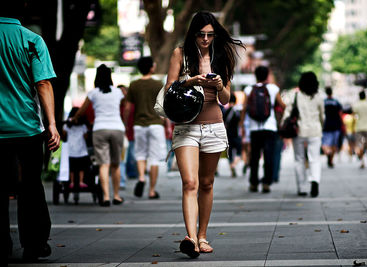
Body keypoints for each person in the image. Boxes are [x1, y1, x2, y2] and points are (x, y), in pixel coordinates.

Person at [164, 11, 244, 258]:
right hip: (186, 126)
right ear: (193, 34)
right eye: (201, 35)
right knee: (190, 182)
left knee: (207, 183)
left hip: (214, 126)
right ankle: (191, 238)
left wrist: (220, 86)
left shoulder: (223, 56)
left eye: (210, 34)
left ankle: (202, 235)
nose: (206, 39)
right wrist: (189, 82)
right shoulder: (181, 54)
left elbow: (226, 99)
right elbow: (169, 88)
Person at [0, 8, 60, 262]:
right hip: (26, 127)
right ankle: (34, 244)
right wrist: (52, 124)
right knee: (31, 186)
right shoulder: (30, 39)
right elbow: (43, 83)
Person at [73, 64, 125, 207]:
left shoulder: (93, 93)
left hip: (100, 129)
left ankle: (106, 197)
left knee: (103, 164)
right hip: (117, 128)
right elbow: (125, 106)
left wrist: (74, 118)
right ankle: (117, 195)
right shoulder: (118, 93)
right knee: (115, 164)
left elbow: (81, 111)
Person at [124, 56, 166, 199]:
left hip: (139, 125)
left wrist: (125, 124)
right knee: (154, 159)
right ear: (151, 68)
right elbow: (163, 106)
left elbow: (128, 108)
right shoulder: (158, 84)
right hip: (155, 124)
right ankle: (152, 191)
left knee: (140, 154)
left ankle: (141, 177)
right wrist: (166, 123)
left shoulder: (134, 85)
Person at [240, 66, 286, 193]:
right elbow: (282, 106)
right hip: (270, 127)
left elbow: (244, 109)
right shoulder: (273, 88)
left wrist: (242, 125)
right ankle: (266, 183)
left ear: (255, 75)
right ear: (267, 75)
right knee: (268, 155)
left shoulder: (249, 89)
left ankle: (253, 183)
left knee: (254, 156)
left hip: (254, 129)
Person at [282, 72, 324, 197]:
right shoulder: (318, 96)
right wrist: (321, 125)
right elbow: (322, 115)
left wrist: (283, 125)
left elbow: (287, 113)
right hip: (315, 131)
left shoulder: (295, 95)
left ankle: (302, 187)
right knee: (314, 158)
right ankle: (315, 180)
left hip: (299, 131)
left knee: (299, 159)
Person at [63, 107, 90, 189]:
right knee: (81, 167)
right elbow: (86, 137)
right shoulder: (83, 126)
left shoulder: (67, 126)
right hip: (81, 149)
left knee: (72, 168)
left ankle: (72, 182)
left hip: (71, 150)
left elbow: (64, 135)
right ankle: (81, 181)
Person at [321, 86, 343, 168]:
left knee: (325, 143)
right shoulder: (336, 102)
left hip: (326, 125)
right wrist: (342, 124)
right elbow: (340, 113)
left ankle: (328, 153)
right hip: (336, 125)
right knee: (334, 143)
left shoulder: (323, 102)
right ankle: (331, 159)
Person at [352, 91, 367, 169]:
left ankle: (362, 162)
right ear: (365, 96)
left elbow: (354, 117)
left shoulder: (356, 105)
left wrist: (353, 127)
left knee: (359, 145)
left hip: (359, 127)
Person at [223, 93, 242, 177]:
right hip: (236, 134)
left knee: (230, 153)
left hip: (228, 135)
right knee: (239, 152)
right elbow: (240, 123)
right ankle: (234, 165)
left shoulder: (225, 111)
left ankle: (231, 166)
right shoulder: (237, 111)